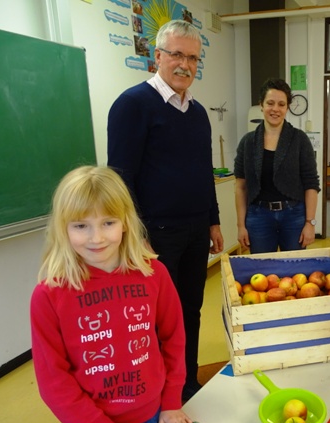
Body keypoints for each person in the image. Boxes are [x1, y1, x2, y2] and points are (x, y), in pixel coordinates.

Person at [30, 166, 195, 423]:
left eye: (108, 223)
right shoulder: (49, 294)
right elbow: (53, 380)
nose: (97, 238)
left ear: (125, 223)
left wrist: (171, 402)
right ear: (63, 228)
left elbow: (174, 339)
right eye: (81, 226)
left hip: (153, 418)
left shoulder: (154, 274)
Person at [107, 19, 223, 402]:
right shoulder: (132, 105)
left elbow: (203, 173)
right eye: (176, 54)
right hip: (153, 236)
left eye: (192, 57)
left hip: (193, 232)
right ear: (157, 56)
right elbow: (120, 180)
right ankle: (157, 394)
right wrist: (134, 237)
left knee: (190, 312)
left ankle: (187, 385)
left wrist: (213, 220)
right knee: (156, 320)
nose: (184, 64)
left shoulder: (198, 112)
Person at [234, 78, 320, 253]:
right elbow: (241, 187)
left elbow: (311, 184)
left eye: (281, 104)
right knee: (262, 272)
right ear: (261, 105)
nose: (275, 109)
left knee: (295, 270)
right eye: (270, 103)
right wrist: (241, 225)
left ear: (287, 108)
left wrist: (310, 223)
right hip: (259, 217)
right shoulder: (247, 142)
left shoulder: (299, 140)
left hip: (294, 216)